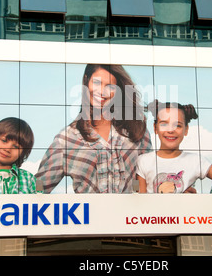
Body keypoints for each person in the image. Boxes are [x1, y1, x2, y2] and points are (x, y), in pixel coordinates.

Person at [36, 64, 152, 193]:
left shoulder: (136, 129)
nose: (102, 91)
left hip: (131, 213)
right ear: (86, 81)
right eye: (97, 82)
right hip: (88, 213)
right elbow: (38, 191)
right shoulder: (66, 139)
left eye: (110, 86)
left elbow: (150, 181)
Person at [136, 100, 212, 193]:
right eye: (164, 124)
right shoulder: (143, 161)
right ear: (155, 128)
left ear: (186, 129)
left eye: (177, 125)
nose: (170, 130)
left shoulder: (196, 161)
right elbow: (140, 201)